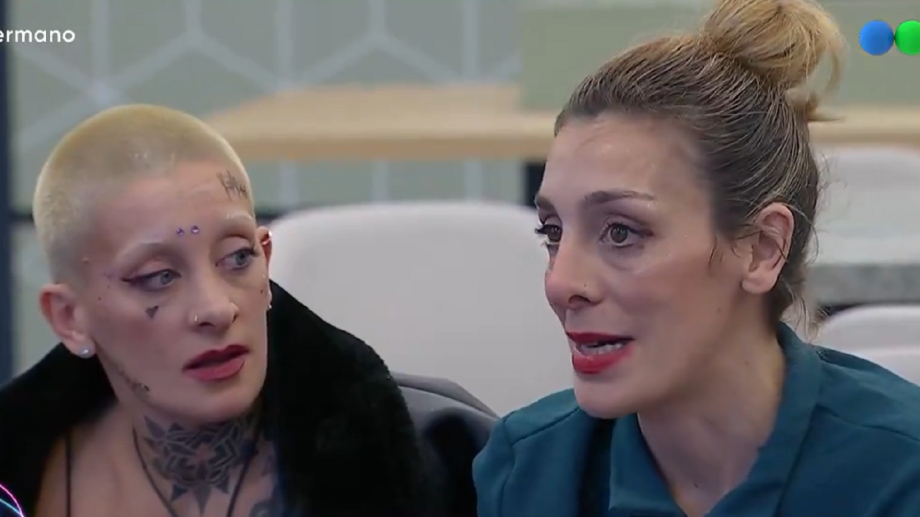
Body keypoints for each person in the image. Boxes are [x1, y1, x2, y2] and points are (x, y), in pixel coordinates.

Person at [473, 0, 920, 516]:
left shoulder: (900, 474)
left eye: (621, 232)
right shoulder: (528, 471)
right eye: (553, 233)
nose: (561, 283)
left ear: (762, 248)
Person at [0, 105, 495, 517]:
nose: (216, 309)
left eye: (237, 258)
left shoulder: (449, 457)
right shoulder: (23, 484)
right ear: (69, 318)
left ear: (266, 260)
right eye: (159, 277)